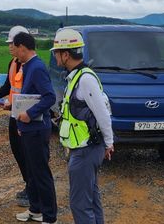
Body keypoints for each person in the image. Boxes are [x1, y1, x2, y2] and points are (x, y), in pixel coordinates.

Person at [51, 28, 114, 224]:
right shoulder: (75, 76)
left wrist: (109, 142)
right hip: (85, 147)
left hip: (86, 150)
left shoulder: (85, 79)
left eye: (56, 52)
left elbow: (103, 114)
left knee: (80, 203)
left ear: (66, 54)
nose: (54, 56)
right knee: (91, 198)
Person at [11, 32, 57, 224]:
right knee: (31, 172)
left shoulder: (36, 67)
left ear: (23, 47)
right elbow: (30, 97)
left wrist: (28, 115)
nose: (13, 51)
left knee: (40, 174)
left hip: (37, 129)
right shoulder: (27, 66)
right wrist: (21, 121)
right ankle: (36, 210)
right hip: (29, 129)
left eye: (14, 47)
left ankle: (49, 216)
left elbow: (49, 97)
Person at [0, 25, 31, 207]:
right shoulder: (13, 63)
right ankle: (29, 184)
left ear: (21, 44)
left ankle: (33, 190)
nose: (9, 47)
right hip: (14, 116)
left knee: (28, 154)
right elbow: (8, 87)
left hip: (27, 119)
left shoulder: (31, 66)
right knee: (17, 151)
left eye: (12, 43)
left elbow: (32, 96)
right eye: (9, 43)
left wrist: (11, 105)